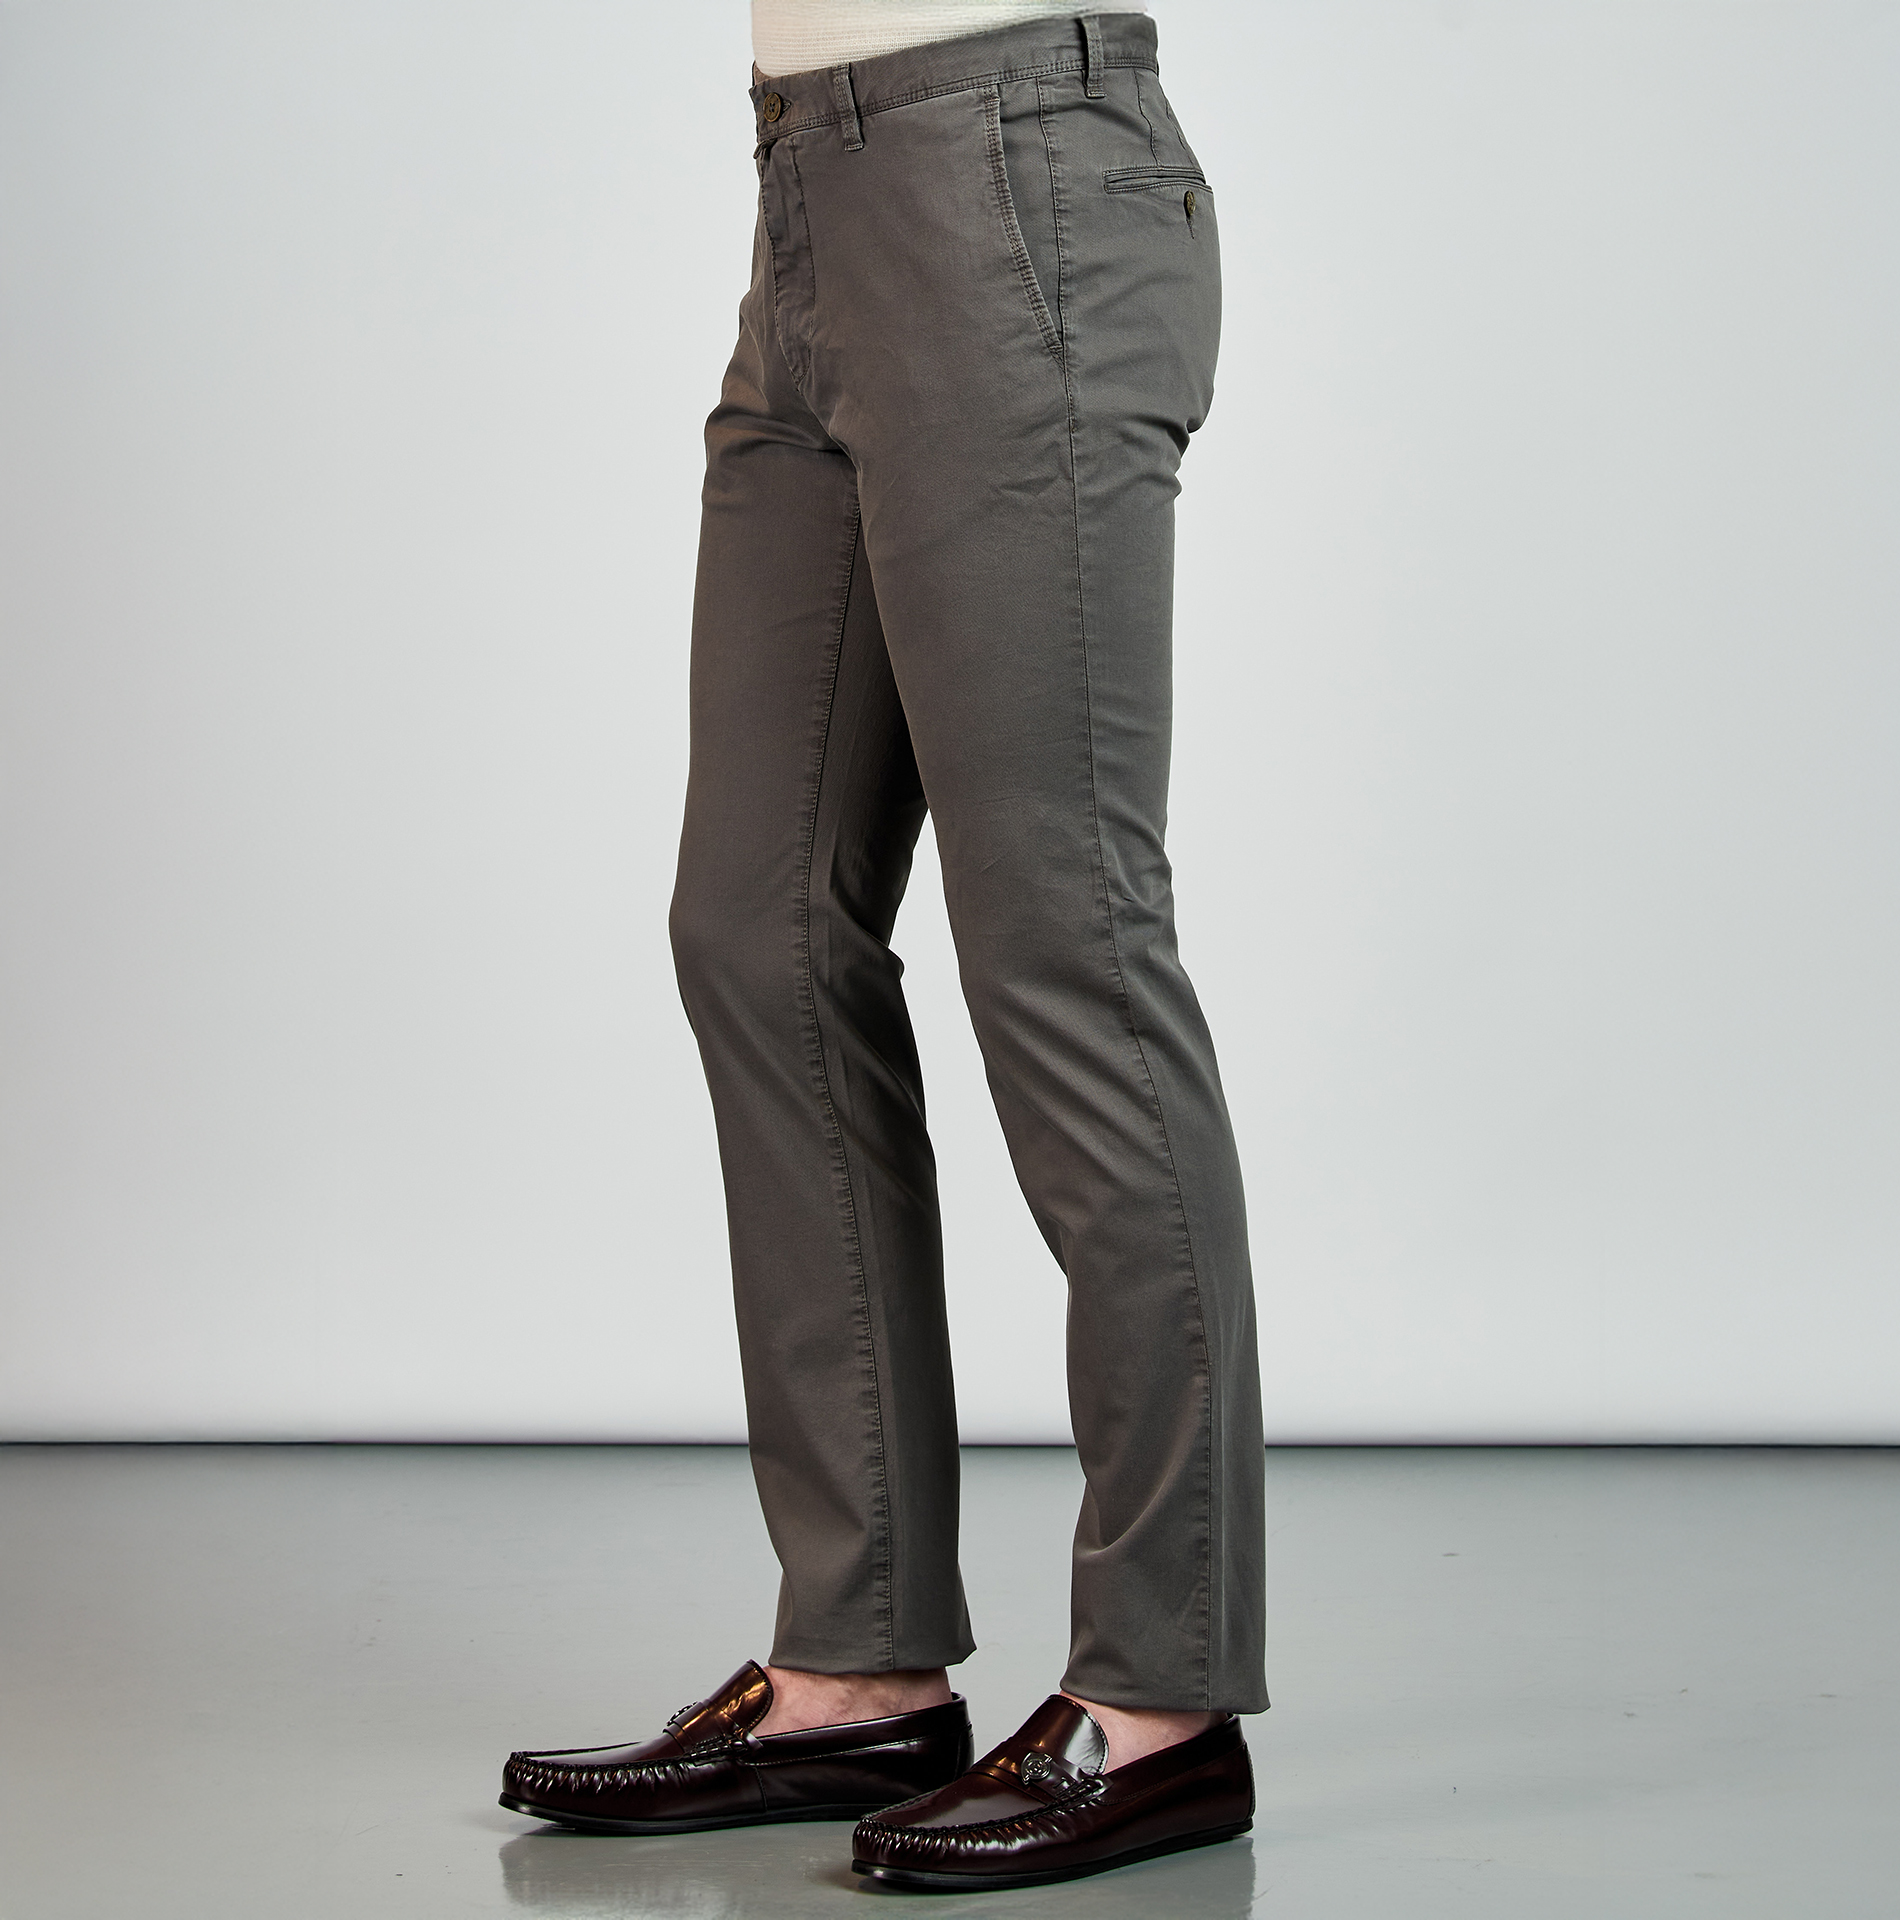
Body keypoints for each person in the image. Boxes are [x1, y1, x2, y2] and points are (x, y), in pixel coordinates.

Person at [500, 4, 1267, 1890]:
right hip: (806, 200)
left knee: (1062, 940)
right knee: (751, 928)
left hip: (1012, 175)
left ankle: (1162, 1696)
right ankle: (859, 1663)